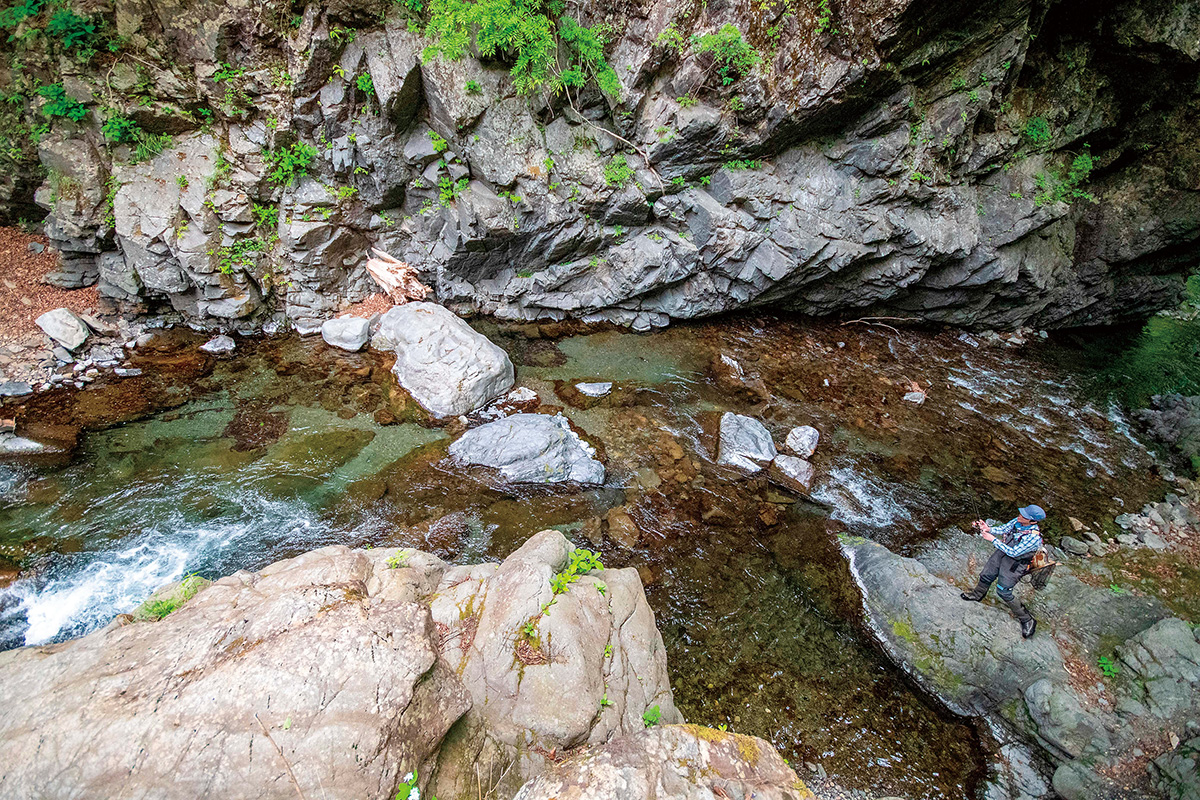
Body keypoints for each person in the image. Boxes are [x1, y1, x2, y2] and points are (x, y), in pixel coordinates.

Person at [960, 504, 1045, 639]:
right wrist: (988, 529)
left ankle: (1027, 619)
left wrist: (992, 539)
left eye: (1024, 516)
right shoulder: (1018, 520)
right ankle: (977, 595)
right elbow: (1004, 528)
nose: (1020, 516)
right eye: (1022, 513)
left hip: (1015, 564)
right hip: (1002, 553)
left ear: (1032, 521)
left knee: (1003, 591)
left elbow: (1014, 552)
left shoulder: (1033, 538)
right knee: (986, 574)